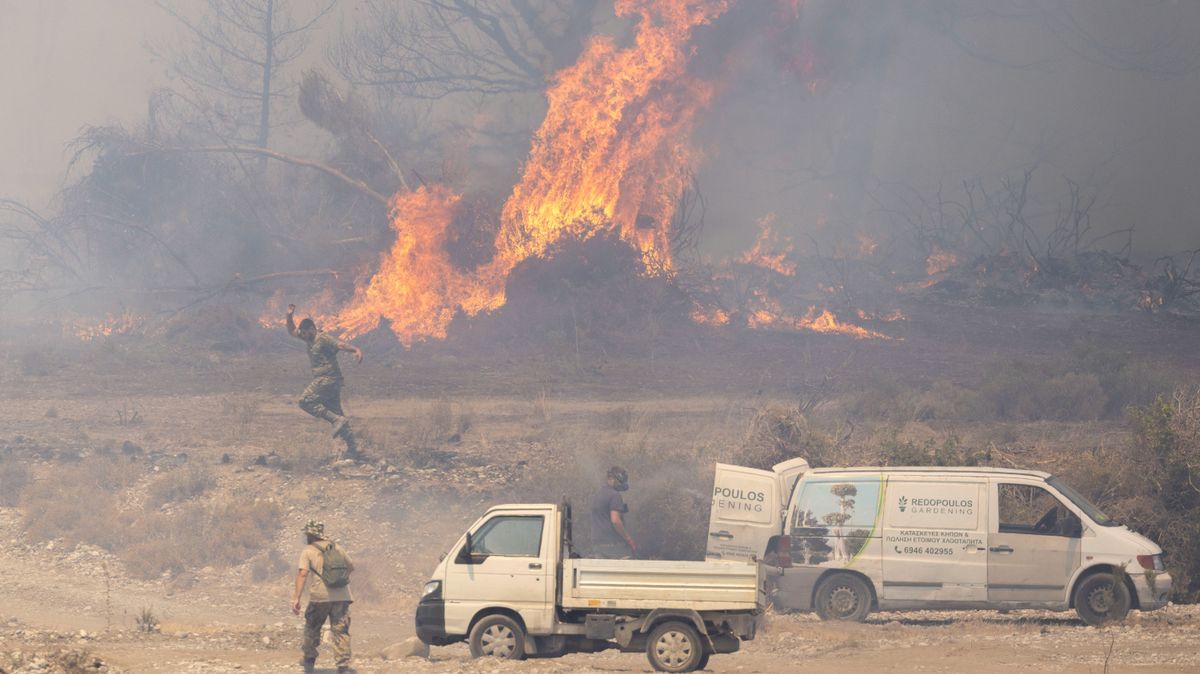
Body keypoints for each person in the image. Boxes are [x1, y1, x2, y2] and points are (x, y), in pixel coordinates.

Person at [286, 304, 363, 458]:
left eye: (306, 333)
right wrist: (289, 316)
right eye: (303, 334)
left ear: (312, 329)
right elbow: (291, 331)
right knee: (339, 416)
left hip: (328, 379)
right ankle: (354, 450)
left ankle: (336, 420)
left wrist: (355, 350)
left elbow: (339, 344)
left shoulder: (323, 337)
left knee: (305, 401)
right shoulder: (308, 337)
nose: (304, 336)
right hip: (331, 382)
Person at [293, 520, 355, 674]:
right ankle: (343, 666)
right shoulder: (337, 547)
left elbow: (302, 574)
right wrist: (338, 581)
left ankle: (309, 661)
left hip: (320, 596)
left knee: (312, 628)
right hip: (342, 595)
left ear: (310, 534)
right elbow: (351, 567)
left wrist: (296, 598)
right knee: (341, 631)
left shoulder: (308, 550)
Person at [590, 466, 636, 559]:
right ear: (612, 479)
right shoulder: (615, 495)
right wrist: (628, 538)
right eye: (621, 480)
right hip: (613, 545)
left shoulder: (597, 494)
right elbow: (615, 520)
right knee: (629, 560)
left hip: (598, 545)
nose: (622, 483)